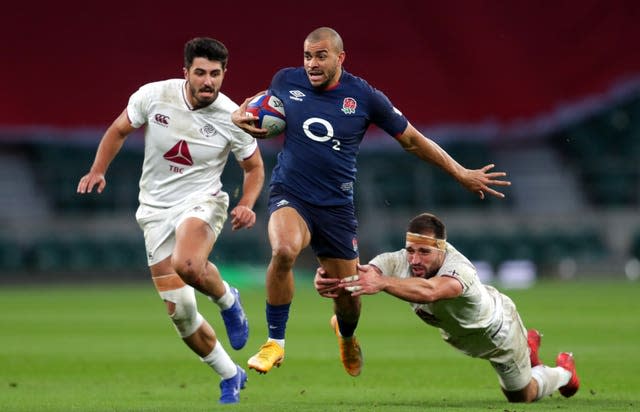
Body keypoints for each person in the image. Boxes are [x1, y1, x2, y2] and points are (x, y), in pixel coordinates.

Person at [231, 27, 511, 377]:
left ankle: (346, 336)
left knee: (348, 297)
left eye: (321, 56)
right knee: (284, 250)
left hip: (336, 207)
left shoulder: (363, 96)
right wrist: (237, 117)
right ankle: (275, 342)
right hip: (292, 192)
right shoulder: (286, 81)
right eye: (307, 56)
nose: (312, 64)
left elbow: (411, 139)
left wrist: (459, 172)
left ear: (340, 58)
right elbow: (262, 102)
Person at [77, 37, 264, 404]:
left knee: (188, 263)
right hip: (154, 210)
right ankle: (230, 373)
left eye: (215, 73)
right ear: (186, 73)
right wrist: (98, 169)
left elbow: (254, 167)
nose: (208, 81)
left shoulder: (233, 117)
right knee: (180, 312)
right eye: (200, 73)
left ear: (224, 74)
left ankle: (227, 300)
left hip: (202, 201)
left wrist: (246, 202)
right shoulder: (154, 96)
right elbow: (118, 130)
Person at [315, 212, 580, 403]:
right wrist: (329, 277)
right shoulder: (398, 261)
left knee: (522, 396)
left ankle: (564, 372)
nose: (415, 259)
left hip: (500, 335)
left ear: (441, 249)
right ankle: (530, 351)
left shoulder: (459, 269)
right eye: (411, 250)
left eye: (424, 252)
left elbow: (431, 292)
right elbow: (360, 273)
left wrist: (383, 283)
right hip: (462, 335)